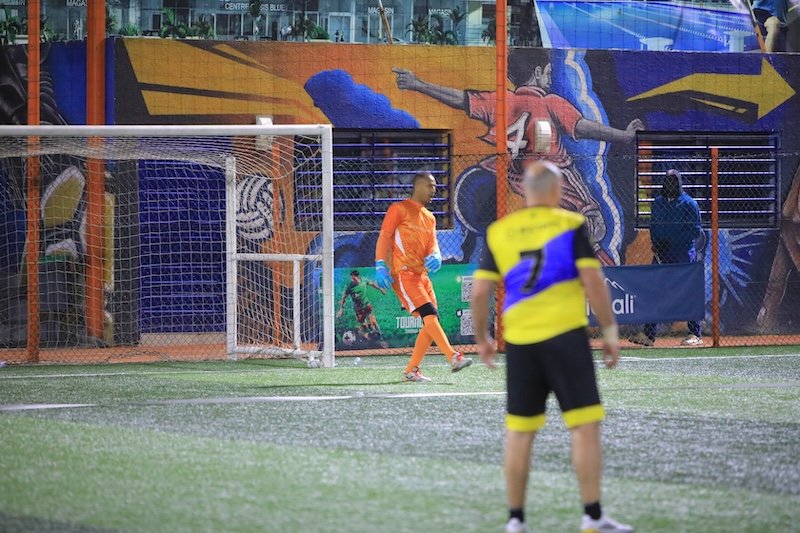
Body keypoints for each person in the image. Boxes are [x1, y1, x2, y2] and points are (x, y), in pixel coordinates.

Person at [470, 161, 632, 533]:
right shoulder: (571, 225)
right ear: (557, 191)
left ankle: (516, 521)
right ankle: (592, 517)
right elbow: (593, 281)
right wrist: (609, 331)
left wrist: (483, 340)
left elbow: (479, 293)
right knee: (584, 426)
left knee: (520, 431)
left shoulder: (500, 231)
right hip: (566, 337)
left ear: (524, 191)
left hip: (521, 344)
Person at [393, 50, 644, 264]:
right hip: (556, 178)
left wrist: (418, 84)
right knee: (595, 226)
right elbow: (584, 127)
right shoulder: (550, 103)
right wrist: (623, 136)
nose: (549, 78)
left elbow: (460, 99)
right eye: (547, 73)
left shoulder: (500, 101)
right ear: (537, 72)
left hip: (517, 178)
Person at [375, 171, 473, 382]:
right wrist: (380, 264)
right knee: (430, 316)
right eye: (430, 185)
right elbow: (385, 236)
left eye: (435, 186)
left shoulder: (430, 217)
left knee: (431, 322)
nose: (434, 190)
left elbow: (432, 244)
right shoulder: (398, 209)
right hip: (404, 273)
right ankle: (453, 357)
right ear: (417, 186)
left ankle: (411, 370)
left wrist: (436, 255)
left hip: (422, 276)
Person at [631, 169, 703, 347]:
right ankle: (649, 335)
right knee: (653, 291)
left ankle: (695, 333)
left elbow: (695, 231)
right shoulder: (658, 203)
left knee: (687, 292)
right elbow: (654, 225)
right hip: (661, 253)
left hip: (682, 253)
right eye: (667, 181)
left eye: (674, 181)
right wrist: (656, 243)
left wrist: (672, 240)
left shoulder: (689, 204)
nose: (670, 185)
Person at [336, 270, 385, 344]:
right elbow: (344, 297)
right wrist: (341, 309)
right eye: (352, 278)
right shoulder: (350, 286)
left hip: (366, 304)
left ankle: (380, 335)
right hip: (358, 308)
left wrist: (380, 289)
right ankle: (370, 334)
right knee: (362, 323)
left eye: (354, 278)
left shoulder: (364, 280)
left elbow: (372, 283)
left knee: (373, 320)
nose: (353, 280)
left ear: (357, 277)